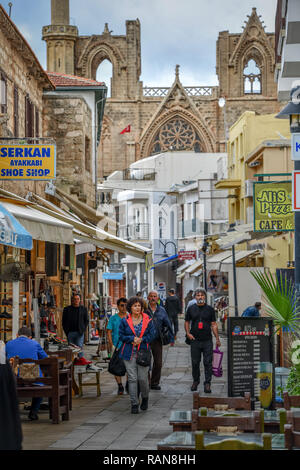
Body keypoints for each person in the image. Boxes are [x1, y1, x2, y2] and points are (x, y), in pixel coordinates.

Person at [118, 296, 155, 414]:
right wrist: (131, 338)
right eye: (135, 306)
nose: (137, 308)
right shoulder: (125, 321)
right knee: (132, 378)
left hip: (143, 352)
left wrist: (142, 340)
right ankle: (134, 403)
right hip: (129, 352)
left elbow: (152, 335)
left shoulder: (148, 319)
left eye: (139, 305)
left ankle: (145, 397)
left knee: (143, 378)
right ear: (130, 307)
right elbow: (121, 336)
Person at [5, 326, 48, 421]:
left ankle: (11, 413)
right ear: (30, 337)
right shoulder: (34, 343)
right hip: (32, 380)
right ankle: (33, 412)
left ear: (17, 335)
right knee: (40, 386)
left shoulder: (8, 344)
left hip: (14, 379)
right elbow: (45, 358)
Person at [185, 288, 221, 393]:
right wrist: (188, 333)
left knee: (208, 362)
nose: (200, 297)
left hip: (207, 341)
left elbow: (213, 324)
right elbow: (187, 322)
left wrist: (217, 338)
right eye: (198, 295)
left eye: (202, 295)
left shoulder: (210, 309)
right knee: (195, 362)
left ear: (205, 297)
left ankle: (207, 383)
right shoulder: (191, 308)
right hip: (195, 340)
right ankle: (196, 381)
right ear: (195, 297)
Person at [146, 290, 174, 391]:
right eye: (151, 296)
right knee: (145, 361)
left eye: (155, 296)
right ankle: (146, 382)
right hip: (146, 340)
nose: (153, 298)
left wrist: (170, 337)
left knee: (158, 363)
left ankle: (154, 383)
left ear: (158, 299)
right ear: (148, 298)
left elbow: (168, 324)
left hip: (158, 339)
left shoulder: (162, 310)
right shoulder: (144, 310)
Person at [62, 293, 91, 366]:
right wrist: (67, 331)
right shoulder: (67, 309)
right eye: (74, 299)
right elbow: (63, 321)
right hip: (70, 332)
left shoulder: (83, 309)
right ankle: (72, 362)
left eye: (77, 299)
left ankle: (80, 361)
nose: (76, 301)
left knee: (79, 346)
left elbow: (86, 320)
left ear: (80, 300)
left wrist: (83, 329)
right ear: (72, 300)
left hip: (79, 332)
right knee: (71, 348)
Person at [106, 297, 128, 395]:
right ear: (118, 306)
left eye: (125, 305)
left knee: (129, 366)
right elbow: (109, 331)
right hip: (117, 345)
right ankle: (120, 385)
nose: (124, 307)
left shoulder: (130, 317)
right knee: (116, 366)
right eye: (122, 305)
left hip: (128, 345)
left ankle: (128, 384)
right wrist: (111, 344)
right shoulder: (113, 318)